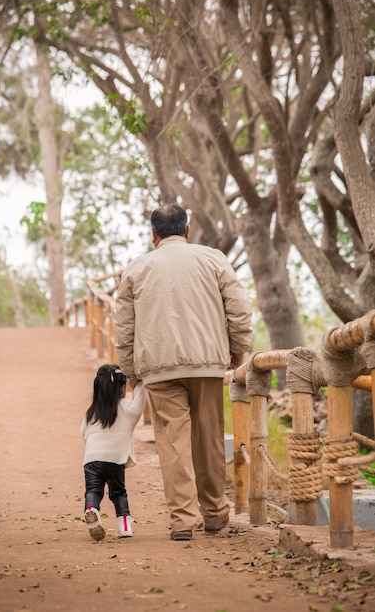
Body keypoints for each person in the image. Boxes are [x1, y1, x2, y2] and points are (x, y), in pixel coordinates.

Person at [113, 203, 253, 541]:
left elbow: (123, 325)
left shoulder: (136, 269)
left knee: (173, 443)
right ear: (187, 230)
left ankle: (182, 522)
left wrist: (131, 369)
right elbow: (239, 307)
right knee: (208, 440)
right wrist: (238, 348)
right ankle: (216, 516)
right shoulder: (213, 258)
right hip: (206, 365)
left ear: (153, 234)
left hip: (159, 369)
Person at [81, 363, 146, 540]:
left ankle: (91, 509)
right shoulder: (127, 409)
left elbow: (83, 433)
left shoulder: (92, 412)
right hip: (116, 460)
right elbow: (139, 405)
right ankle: (124, 527)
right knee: (118, 493)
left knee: (93, 490)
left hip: (92, 459)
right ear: (122, 387)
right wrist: (139, 384)